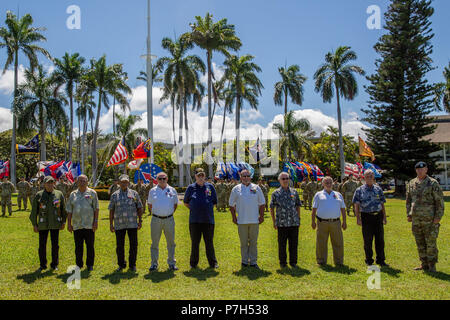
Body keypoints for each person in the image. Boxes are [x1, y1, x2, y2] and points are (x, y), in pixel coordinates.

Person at [406, 162, 444, 272]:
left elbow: (439, 201)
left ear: (426, 169)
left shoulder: (433, 183)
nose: (420, 171)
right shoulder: (412, 183)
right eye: (418, 169)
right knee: (420, 242)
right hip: (416, 219)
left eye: (422, 169)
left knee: (431, 242)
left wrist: (438, 217)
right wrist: (409, 214)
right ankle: (424, 263)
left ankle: (432, 265)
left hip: (430, 219)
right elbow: (408, 200)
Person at [229, 169, 265, 269]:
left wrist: (261, 216)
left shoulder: (256, 188)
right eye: (244, 176)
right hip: (242, 221)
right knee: (243, 243)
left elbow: (262, 203)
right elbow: (231, 204)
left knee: (253, 242)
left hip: (254, 220)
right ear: (240, 177)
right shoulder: (236, 189)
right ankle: (244, 261)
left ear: (250, 177)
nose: (246, 178)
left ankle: (253, 262)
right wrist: (234, 217)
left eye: (248, 176)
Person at [29, 176, 66, 271]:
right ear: (44, 184)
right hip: (43, 224)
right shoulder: (39, 195)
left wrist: (63, 221)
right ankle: (42, 264)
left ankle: (54, 264)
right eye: (48, 183)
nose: (50, 185)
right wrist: (34, 224)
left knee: (55, 245)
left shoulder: (59, 194)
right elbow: (34, 211)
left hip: (55, 223)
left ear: (54, 183)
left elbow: (63, 209)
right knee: (42, 245)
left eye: (51, 183)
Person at [183, 168, 218, 269]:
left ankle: (213, 263)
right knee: (195, 243)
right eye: (199, 175)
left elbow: (214, 202)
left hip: (208, 220)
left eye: (202, 175)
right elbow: (185, 202)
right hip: (195, 221)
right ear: (195, 176)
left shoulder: (210, 187)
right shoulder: (191, 187)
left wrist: (205, 209)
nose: (201, 177)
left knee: (209, 243)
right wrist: (194, 209)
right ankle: (193, 263)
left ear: (205, 176)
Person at [353, 170, 388, 267]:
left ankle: (381, 260)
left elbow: (382, 204)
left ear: (373, 177)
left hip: (378, 216)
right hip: (366, 217)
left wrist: (384, 217)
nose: (369, 177)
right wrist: (358, 218)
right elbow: (356, 205)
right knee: (367, 240)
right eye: (367, 176)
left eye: (371, 176)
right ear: (364, 177)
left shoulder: (378, 189)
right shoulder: (359, 190)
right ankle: (369, 259)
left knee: (380, 240)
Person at [108, 174, 143, 272]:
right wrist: (111, 224)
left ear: (128, 183)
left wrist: (140, 220)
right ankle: (121, 264)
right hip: (119, 224)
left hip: (132, 224)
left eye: (126, 182)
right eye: (122, 182)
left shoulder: (134, 194)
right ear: (119, 183)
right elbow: (111, 210)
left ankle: (132, 265)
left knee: (133, 245)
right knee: (120, 246)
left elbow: (139, 207)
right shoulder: (115, 195)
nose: (124, 184)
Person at [66, 174, 99, 271]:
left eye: (84, 181)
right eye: (80, 181)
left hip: (89, 225)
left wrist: (95, 222)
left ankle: (90, 265)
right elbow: (69, 210)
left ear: (87, 182)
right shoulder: (73, 194)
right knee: (78, 247)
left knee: (90, 246)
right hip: (77, 225)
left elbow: (96, 208)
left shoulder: (92, 193)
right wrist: (69, 224)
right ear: (77, 182)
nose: (82, 182)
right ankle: (79, 264)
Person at [311, 176, 347, 266]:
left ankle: (339, 262)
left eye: (330, 182)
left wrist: (344, 221)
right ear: (322, 184)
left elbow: (343, 209)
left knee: (338, 242)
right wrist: (313, 221)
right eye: (326, 182)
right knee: (321, 243)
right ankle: (321, 261)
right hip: (322, 222)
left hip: (336, 222)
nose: (329, 184)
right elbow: (314, 209)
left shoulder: (338, 194)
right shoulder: (318, 195)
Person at [147, 172, 179, 271]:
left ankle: (171, 263)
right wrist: (159, 213)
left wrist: (167, 213)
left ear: (167, 179)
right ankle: (154, 264)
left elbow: (175, 205)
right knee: (154, 243)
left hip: (169, 219)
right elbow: (150, 205)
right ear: (156, 180)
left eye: (163, 178)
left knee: (171, 243)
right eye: (160, 179)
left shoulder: (172, 190)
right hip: (156, 219)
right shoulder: (152, 191)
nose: (162, 180)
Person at [270, 172, 302, 268]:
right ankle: (283, 263)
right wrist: (274, 221)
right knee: (282, 244)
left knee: (294, 244)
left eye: (287, 178)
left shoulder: (294, 192)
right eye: (283, 179)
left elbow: (298, 206)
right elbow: (272, 208)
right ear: (279, 180)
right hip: (282, 223)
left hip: (293, 222)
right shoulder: (275, 193)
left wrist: (298, 219)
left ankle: (293, 262)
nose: (285, 180)